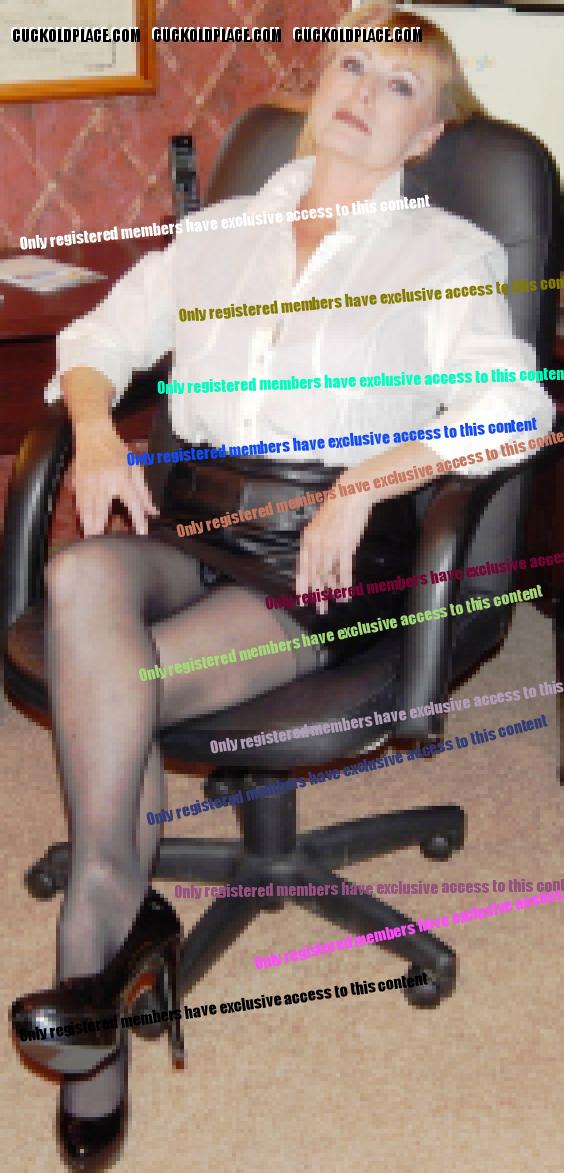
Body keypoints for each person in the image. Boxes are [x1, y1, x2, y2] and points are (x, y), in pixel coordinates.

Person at [10, 3, 553, 1168]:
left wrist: (372, 478)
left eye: (400, 86)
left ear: (425, 135)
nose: (364, 91)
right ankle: (125, 925)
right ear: (316, 88)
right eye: (350, 64)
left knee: (115, 686)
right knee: (83, 568)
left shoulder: (444, 253)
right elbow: (98, 340)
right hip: (199, 525)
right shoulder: (220, 234)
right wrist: (96, 434)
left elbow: (517, 405)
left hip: (321, 562)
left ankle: (100, 936)